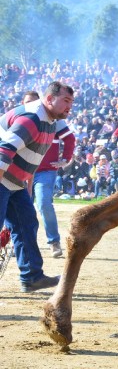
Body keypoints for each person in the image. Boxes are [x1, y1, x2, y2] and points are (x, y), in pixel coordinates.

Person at [0, 81, 74, 292]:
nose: (69, 106)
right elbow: (4, 150)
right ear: (49, 98)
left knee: (26, 224)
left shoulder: (50, 120)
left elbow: (32, 158)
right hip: (2, 176)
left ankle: (31, 276)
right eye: (65, 101)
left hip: (14, 181)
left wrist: (26, 187)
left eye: (71, 102)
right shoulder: (32, 118)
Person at [22, 91, 76, 258]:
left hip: (44, 172)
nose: (30, 105)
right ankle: (21, 244)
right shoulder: (21, 119)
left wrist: (65, 159)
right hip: (23, 172)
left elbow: (70, 139)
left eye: (33, 102)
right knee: (20, 208)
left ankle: (54, 242)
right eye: (27, 102)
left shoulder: (54, 121)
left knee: (44, 203)